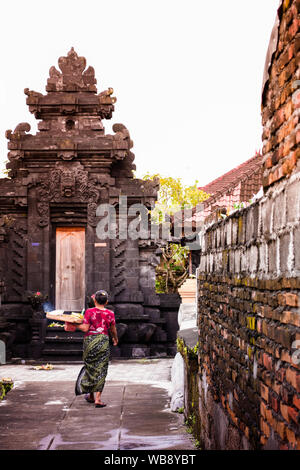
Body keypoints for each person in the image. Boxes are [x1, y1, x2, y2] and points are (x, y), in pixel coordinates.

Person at [65, 290, 118, 408]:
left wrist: (73, 324)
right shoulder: (110, 313)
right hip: (103, 341)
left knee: (91, 367)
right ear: (107, 302)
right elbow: (113, 329)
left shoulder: (89, 312)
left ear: (94, 300)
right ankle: (97, 399)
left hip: (90, 342)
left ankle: (91, 395)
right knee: (101, 368)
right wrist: (115, 339)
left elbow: (84, 328)